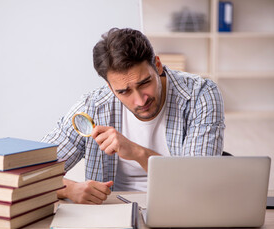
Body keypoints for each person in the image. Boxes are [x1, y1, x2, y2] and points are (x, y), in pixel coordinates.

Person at [42, 28, 225, 204]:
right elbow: (28, 175)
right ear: (110, 87)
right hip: (112, 212)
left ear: (158, 65)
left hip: (180, 206)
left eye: (145, 83)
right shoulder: (92, 107)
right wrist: (69, 189)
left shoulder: (200, 95)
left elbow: (198, 184)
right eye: (123, 91)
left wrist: (137, 152)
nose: (140, 100)